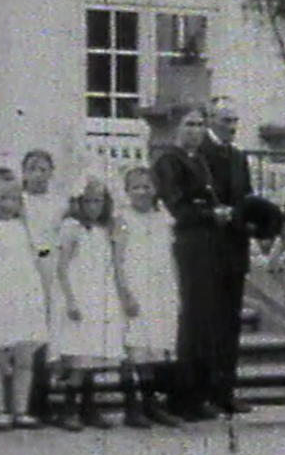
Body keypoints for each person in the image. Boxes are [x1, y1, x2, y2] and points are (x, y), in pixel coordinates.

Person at [151, 105, 224, 422]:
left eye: (200, 124)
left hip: (206, 245)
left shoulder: (201, 161)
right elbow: (176, 206)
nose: (195, 131)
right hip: (186, 245)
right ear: (175, 127)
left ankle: (198, 393)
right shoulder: (168, 161)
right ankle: (179, 395)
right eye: (189, 124)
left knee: (204, 319)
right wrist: (208, 213)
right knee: (188, 319)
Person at [54, 176, 130, 431]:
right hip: (79, 296)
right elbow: (61, 268)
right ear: (79, 203)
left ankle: (89, 407)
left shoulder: (105, 230)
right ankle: (69, 409)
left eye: (98, 201)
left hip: (99, 297)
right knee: (79, 357)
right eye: (88, 201)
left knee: (94, 357)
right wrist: (70, 300)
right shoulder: (72, 227)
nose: (93, 207)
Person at [0, 170, 50, 430]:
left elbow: (43, 254)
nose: (6, 204)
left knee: (24, 356)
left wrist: (44, 290)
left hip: (25, 294)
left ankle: (21, 410)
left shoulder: (27, 229)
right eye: (0, 198)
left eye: (12, 198)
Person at [200, 96, 257, 415]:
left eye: (235, 121)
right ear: (210, 120)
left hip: (235, 250)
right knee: (208, 323)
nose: (232, 127)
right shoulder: (200, 155)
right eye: (226, 121)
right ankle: (205, 391)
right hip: (208, 251)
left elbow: (245, 198)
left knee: (229, 324)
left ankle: (225, 390)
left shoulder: (238, 157)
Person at [117, 167, 182, 429]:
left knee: (153, 345)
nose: (142, 192)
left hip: (159, 289)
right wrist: (124, 293)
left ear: (155, 189)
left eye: (147, 186)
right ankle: (130, 406)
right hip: (134, 287)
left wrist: (176, 291)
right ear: (127, 191)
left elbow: (171, 257)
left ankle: (150, 403)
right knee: (131, 347)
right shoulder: (122, 219)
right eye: (136, 187)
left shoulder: (163, 218)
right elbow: (117, 261)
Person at [21, 149, 68, 425]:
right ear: (24, 173)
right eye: (32, 169)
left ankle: (45, 399)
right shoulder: (19, 201)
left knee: (50, 333)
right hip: (25, 269)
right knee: (28, 333)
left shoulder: (59, 203)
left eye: (43, 169)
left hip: (51, 270)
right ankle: (24, 401)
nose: (38, 175)